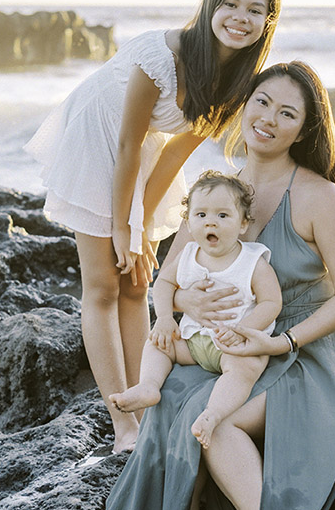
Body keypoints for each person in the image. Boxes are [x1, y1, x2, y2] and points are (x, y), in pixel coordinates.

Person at [59, 61, 335, 510]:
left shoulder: (317, 195)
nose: (269, 119)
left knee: (217, 422)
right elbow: (170, 278)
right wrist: (184, 307)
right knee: (171, 398)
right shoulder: (219, 190)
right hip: (232, 344)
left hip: (311, 348)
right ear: (244, 105)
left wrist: (283, 343)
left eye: (287, 113)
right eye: (261, 103)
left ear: (304, 129)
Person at [25, 0, 281, 452]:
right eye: (230, 4)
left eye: (254, 10)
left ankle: (144, 402)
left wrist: (142, 229)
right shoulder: (160, 55)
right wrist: (124, 226)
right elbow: (126, 143)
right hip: (97, 138)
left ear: (267, 21)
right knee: (102, 284)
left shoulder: (234, 84)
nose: (239, 17)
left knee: (138, 280)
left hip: (138, 157)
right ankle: (122, 426)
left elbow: (169, 156)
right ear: (211, 4)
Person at [109, 170, 282, 450]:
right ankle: (149, 386)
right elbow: (163, 283)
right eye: (201, 215)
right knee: (157, 342)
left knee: (246, 368)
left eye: (222, 216)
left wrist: (243, 330)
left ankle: (212, 414)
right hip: (192, 342)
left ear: (243, 224)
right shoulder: (188, 255)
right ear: (188, 222)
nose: (210, 221)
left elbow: (271, 303)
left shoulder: (252, 260)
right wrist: (165, 318)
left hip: (233, 346)